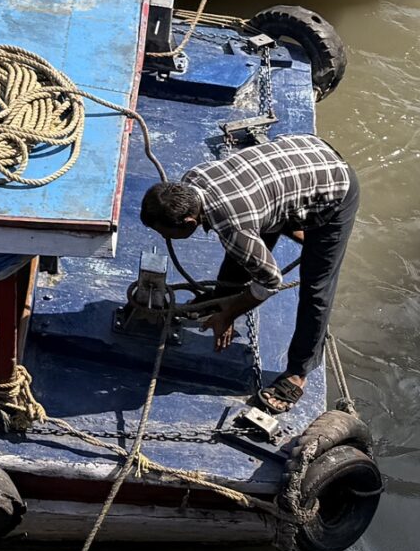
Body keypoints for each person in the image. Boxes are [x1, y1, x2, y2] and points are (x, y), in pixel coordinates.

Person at [140, 132, 359, 416]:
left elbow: (271, 280)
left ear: (190, 222)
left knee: (317, 287)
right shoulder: (192, 180)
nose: (163, 237)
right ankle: (223, 296)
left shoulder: (235, 226)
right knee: (244, 248)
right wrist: (226, 300)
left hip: (335, 186)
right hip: (297, 157)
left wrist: (229, 313)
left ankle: (298, 373)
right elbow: (240, 231)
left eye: (165, 232)